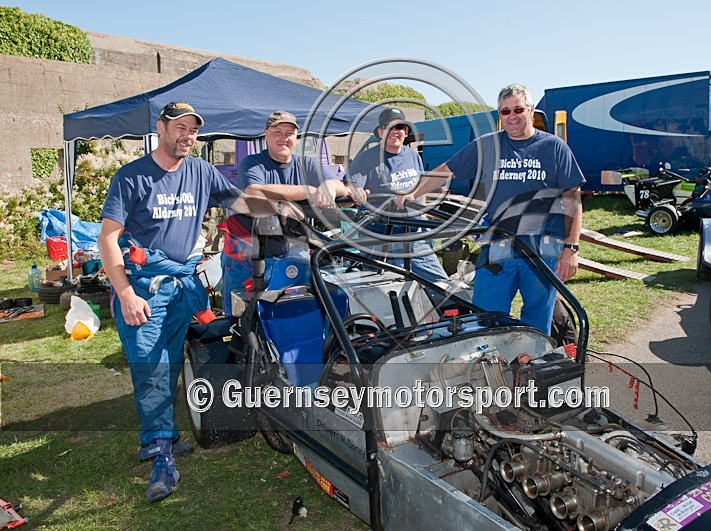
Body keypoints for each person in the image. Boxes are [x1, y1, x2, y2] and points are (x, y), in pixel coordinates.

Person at [98, 102, 274, 503]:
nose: (187, 136)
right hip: (143, 287)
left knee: (172, 362)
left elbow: (241, 203)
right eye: (179, 128)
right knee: (153, 369)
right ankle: (160, 452)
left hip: (182, 283)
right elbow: (108, 238)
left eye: (193, 130)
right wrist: (125, 293)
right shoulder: (132, 177)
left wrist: (291, 208)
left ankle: (158, 436)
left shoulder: (201, 172)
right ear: (161, 128)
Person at [396, 83, 584, 333]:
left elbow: (573, 199)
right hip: (499, 244)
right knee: (486, 315)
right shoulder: (487, 146)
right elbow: (446, 171)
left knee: (538, 316)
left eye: (517, 109)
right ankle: (492, 366)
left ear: (530, 110)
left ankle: (534, 365)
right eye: (505, 112)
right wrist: (412, 193)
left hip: (543, 246)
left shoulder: (554, 147)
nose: (512, 117)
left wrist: (571, 249)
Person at [220, 110, 351, 314]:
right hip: (246, 252)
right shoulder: (252, 163)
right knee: (243, 315)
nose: (284, 137)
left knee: (294, 309)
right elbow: (254, 190)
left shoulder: (306, 164)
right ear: (266, 134)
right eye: (277, 132)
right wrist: (309, 191)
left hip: (290, 247)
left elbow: (344, 187)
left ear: (296, 138)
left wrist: (331, 186)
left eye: (289, 133)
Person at [346, 107, 449, 284]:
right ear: (379, 132)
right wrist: (355, 191)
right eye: (389, 127)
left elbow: (420, 188)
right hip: (378, 239)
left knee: (440, 286)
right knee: (378, 292)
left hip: (413, 236)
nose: (395, 131)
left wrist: (422, 216)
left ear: (406, 131)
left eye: (400, 127)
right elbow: (352, 189)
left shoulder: (413, 155)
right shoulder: (365, 158)